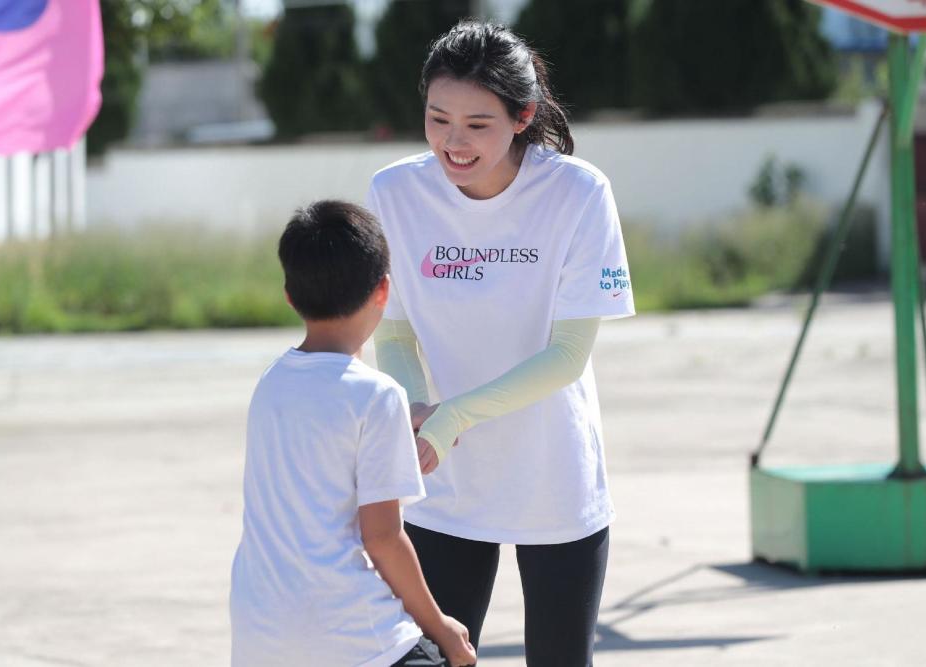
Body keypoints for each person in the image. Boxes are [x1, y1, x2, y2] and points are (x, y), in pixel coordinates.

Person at [367, 20, 635, 667]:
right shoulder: (394, 192)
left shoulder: (578, 193)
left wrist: (454, 413)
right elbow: (395, 327)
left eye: (478, 125)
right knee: (436, 660)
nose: (453, 144)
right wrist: (416, 407)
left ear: (524, 116)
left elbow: (569, 356)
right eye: (438, 119)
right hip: (446, 485)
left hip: (555, 478)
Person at [229, 200, 477, 667]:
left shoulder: (271, 382)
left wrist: (399, 422)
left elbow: (324, 429)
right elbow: (382, 537)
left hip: (260, 632)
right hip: (347, 633)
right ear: (383, 290)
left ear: (289, 294)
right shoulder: (377, 395)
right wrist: (439, 625)